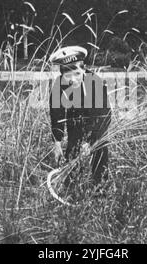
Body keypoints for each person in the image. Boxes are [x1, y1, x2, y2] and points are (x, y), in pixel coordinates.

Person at [49, 46, 111, 187]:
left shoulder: (95, 82)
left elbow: (105, 115)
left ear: (83, 69)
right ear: (62, 74)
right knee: (72, 159)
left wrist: (90, 142)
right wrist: (57, 142)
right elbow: (56, 114)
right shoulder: (59, 85)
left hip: (97, 127)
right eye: (68, 76)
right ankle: (72, 192)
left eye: (77, 73)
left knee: (99, 159)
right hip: (75, 124)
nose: (73, 79)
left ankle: (100, 192)